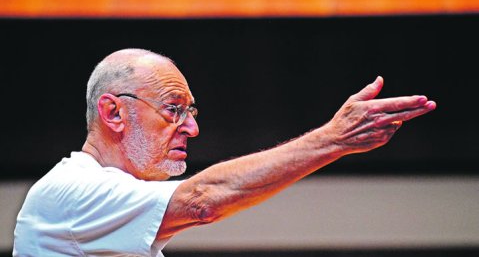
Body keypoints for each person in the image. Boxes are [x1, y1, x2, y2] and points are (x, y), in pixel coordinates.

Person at [13, 48, 436, 256]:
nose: (192, 128)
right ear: (113, 113)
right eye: (174, 110)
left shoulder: (104, 200)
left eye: (191, 112)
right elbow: (202, 201)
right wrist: (333, 139)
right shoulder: (70, 193)